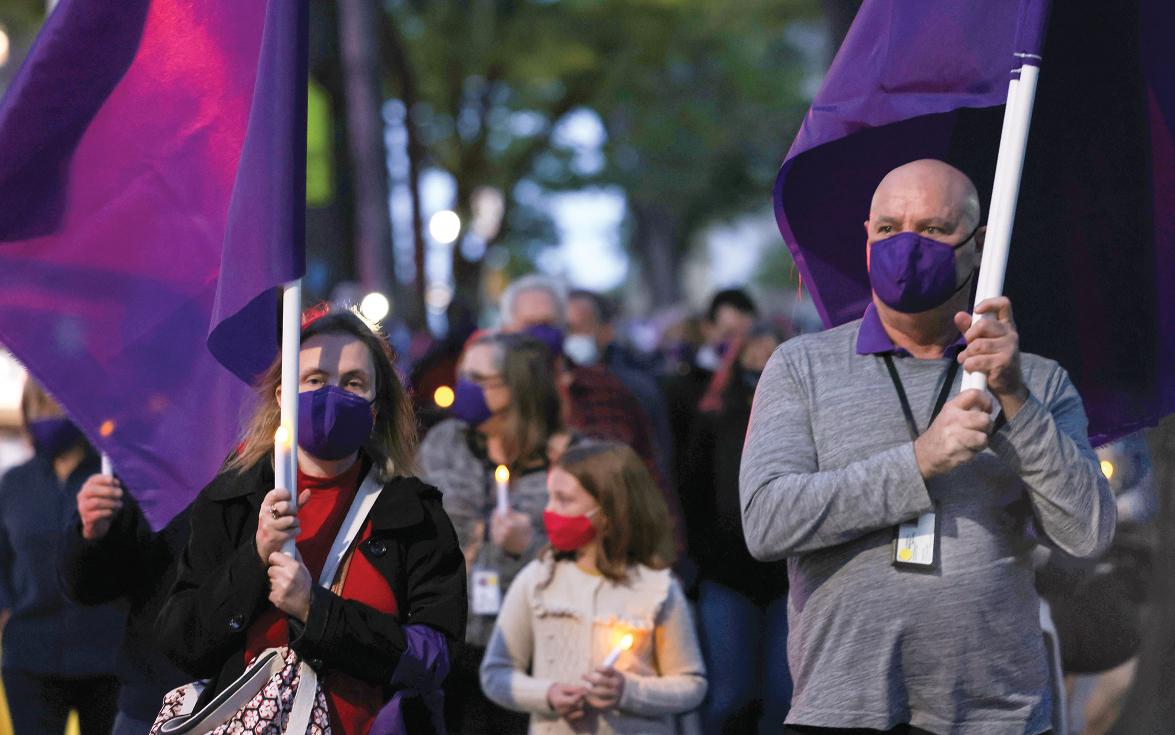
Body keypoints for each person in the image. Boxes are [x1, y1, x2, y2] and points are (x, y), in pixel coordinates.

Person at [739, 159, 1116, 735]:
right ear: (867, 237)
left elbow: (1087, 532)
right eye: (889, 229)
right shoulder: (800, 367)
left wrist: (1014, 401)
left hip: (996, 713)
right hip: (843, 709)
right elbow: (767, 522)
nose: (907, 246)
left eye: (934, 230)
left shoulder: (1037, 380)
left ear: (979, 244)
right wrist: (918, 461)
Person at [157, 307, 467, 734]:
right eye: (315, 380)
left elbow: (434, 657)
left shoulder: (414, 513)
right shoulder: (232, 499)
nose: (333, 394)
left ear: (376, 408)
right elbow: (182, 642)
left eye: (354, 383)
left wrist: (314, 610)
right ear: (284, 396)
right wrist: (254, 557)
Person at [480, 441, 707, 734]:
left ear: (610, 512)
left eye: (564, 499)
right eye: (550, 497)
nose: (549, 510)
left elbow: (691, 684)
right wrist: (547, 694)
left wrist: (627, 691)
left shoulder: (658, 588)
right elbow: (496, 673)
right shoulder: (537, 580)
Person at [419, 332, 571, 733]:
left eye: (479, 378)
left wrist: (529, 546)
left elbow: (587, 556)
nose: (463, 387)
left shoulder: (565, 458)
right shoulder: (443, 443)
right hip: (453, 640)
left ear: (518, 386)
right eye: (462, 374)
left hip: (534, 647)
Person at [499, 275, 685, 552]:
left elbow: (651, 479)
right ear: (506, 330)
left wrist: (668, 557)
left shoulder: (607, 389)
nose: (540, 334)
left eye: (549, 324)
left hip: (615, 562)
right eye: (530, 325)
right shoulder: (495, 398)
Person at [681, 322, 792, 734]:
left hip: (785, 576)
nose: (761, 362)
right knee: (730, 695)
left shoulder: (798, 415)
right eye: (753, 353)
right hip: (726, 572)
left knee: (783, 694)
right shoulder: (715, 416)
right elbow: (693, 489)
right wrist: (699, 558)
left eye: (770, 353)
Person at [0, 380, 122, 734]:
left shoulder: (108, 479)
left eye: (55, 405)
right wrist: (7, 614)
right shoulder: (15, 483)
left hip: (104, 656)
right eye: (38, 408)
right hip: (30, 656)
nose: (47, 416)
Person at [58, 475, 191, 735]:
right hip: (149, 699)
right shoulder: (142, 469)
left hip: (240, 696)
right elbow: (86, 588)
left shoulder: (259, 464)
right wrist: (91, 535)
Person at [566, 289, 674, 484]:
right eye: (566, 329)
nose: (571, 338)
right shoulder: (560, 387)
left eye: (580, 328)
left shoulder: (634, 388)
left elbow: (658, 458)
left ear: (607, 332)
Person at [663, 289, 757, 493]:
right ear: (708, 328)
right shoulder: (681, 383)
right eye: (729, 334)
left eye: (744, 335)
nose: (737, 345)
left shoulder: (756, 381)